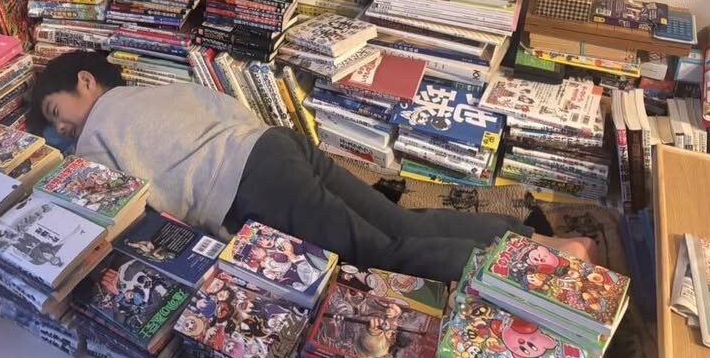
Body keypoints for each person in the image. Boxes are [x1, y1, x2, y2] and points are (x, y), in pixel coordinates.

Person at [30, 51, 597, 283]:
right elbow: (226, 108)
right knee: (403, 223)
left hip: (253, 184)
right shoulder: (159, 88)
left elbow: (127, 206)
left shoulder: (96, 135)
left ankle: (540, 272)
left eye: (59, 115)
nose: (65, 132)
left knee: (380, 253)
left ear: (86, 82)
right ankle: (548, 244)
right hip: (274, 147)